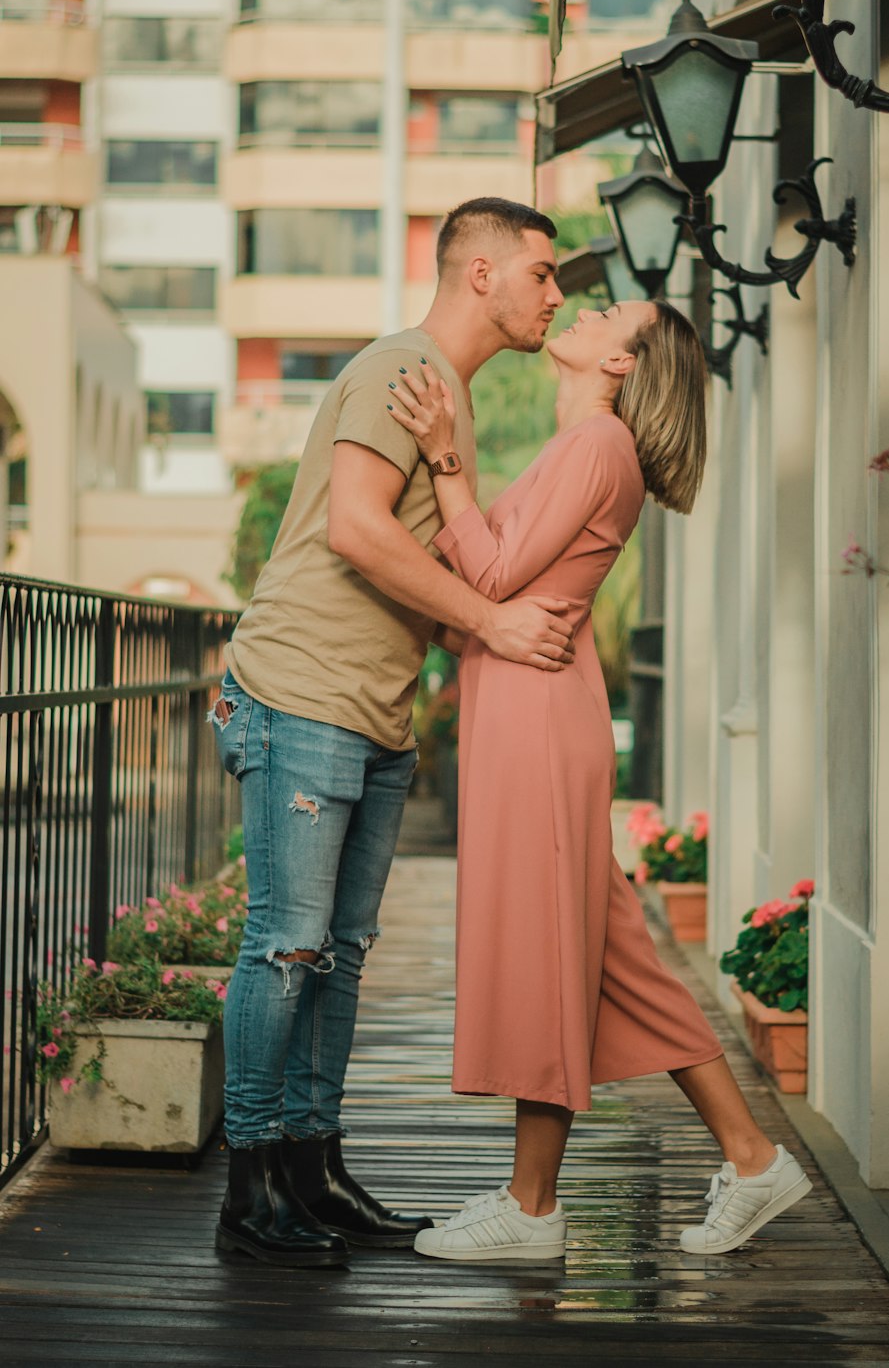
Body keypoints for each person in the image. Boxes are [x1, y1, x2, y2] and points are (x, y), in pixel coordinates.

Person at [386, 298, 813, 1262]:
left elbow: (487, 577)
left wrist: (449, 461)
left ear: (622, 361)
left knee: (552, 951)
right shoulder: (585, 446)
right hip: (536, 712)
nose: (588, 304)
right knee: (612, 959)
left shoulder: (594, 447)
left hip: (536, 725)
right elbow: (487, 591)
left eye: (615, 310)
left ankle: (533, 1209)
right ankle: (751, 1160)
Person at [211, 197, 577, 1269]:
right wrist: (494, 623)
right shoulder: (399, 369)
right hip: (302, 689)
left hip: (374, 707)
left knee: (340, 954)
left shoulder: (445, 398)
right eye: (542, 273)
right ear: (480, 273)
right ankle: (251, 1184)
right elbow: (357, 528)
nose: (554, 294)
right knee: (284, 944)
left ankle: (313, 1165)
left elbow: (449, 542)